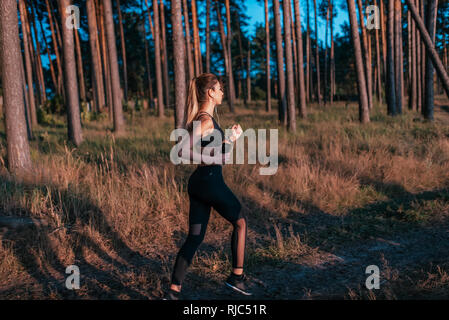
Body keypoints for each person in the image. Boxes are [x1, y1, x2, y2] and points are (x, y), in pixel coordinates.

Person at [164, 73, 251, 300]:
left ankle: (173, 292)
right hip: (210, 181)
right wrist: (210, 159)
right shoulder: (205, 120)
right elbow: (181, 151)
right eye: (220, 89)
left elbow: (220, 154)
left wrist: (231, 139)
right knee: (241, 222)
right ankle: (237, 277)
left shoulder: (206, 120)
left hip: (200, 183)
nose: (222, 92)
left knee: (195, 237)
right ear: (211, 92)